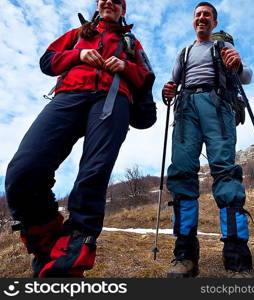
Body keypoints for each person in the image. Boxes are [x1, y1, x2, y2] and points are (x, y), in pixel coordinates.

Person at [5, 0, 155, 278]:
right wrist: (79, 56)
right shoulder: (77, 34)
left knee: (93, 174)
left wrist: (124, 65)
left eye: (117, 0)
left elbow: (146, 77)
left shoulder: (131, 41)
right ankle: (47, 246)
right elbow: (47, 61)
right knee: (23, 170)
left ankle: (70, 261)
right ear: (98, 5)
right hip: (69, 95)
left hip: (113, 98)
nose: (109, 1)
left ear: (123, 9)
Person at [162, 2, 253, 278]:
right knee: (181, 174)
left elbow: (247, 76)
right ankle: (185, 255)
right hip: (186, 107)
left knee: (225, 173)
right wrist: (167, 90)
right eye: (198, 14)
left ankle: (237, 260)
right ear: (194, 21)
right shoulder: (185, 52)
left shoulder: (222, 48)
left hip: (217, 106)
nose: (202, 18)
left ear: (214, 23)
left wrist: (237, 65)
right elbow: (172, 84)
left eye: (207, 15)